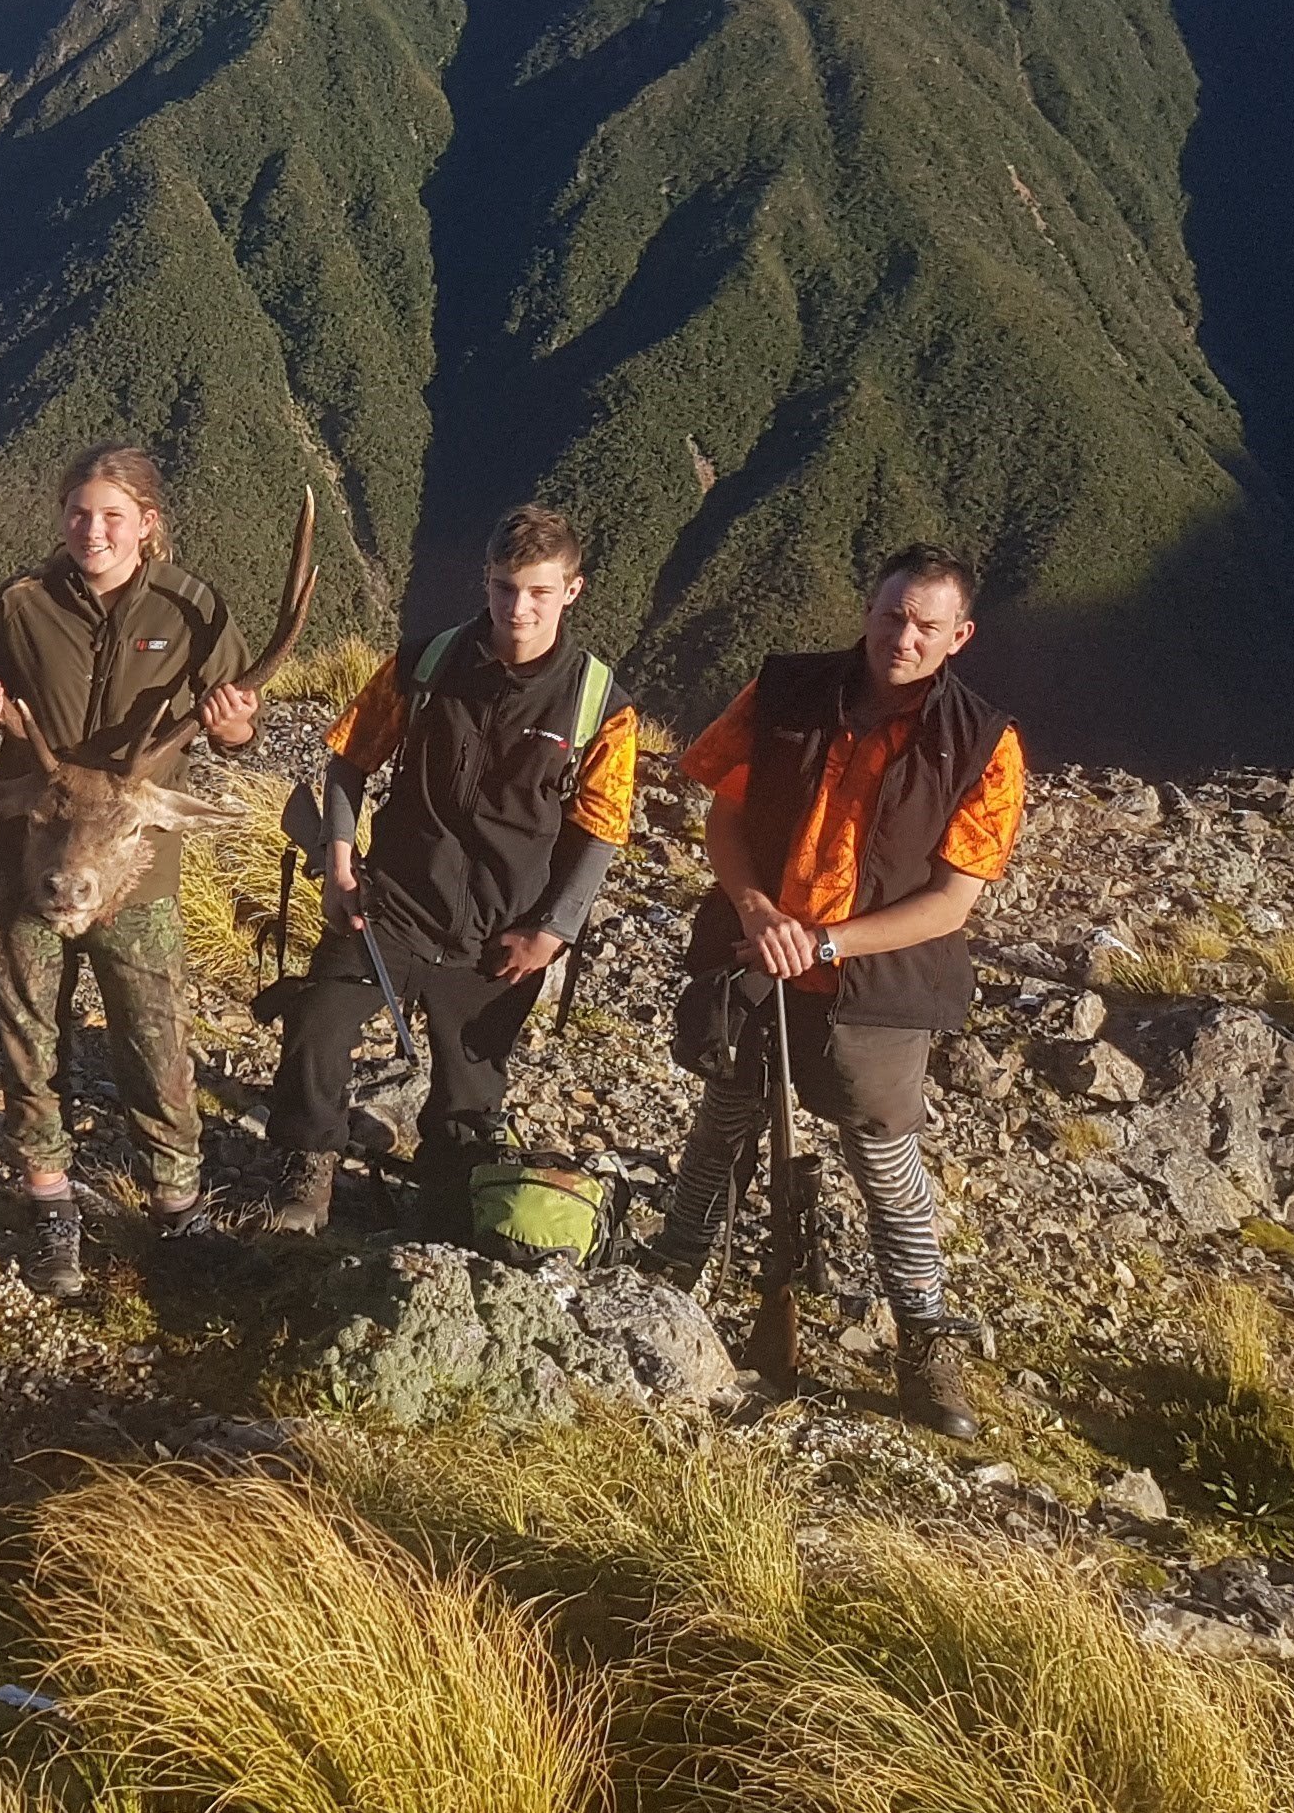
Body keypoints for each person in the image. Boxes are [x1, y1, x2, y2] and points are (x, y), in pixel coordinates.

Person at [646, 546, 1024, 1440]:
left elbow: (951, 903)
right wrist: (757, 911)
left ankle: (925, 1342)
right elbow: (725, 814)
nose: (905, 636)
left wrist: (821, 939)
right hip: (752, 954)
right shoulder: (784, 692)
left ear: (959, 636)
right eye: (893, 614)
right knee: (723, 1121)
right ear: (869, 609)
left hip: (878, 983)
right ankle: (668, 1286)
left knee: (885, 1162)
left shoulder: (984, 745)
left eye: (928, 624)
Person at [260, 503, 635, 1237]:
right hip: (390, 907)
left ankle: (445, 1199)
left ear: (573, 590)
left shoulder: (601, 706)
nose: (517, 608)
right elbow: (348, 762)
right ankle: (308, 1173)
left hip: (503, 932)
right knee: (316, 1026)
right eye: (503, 588)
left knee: (470, 1097)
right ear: (485, 581)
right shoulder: (423, 663)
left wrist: (550, 934)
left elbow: (601, 835)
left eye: (537, 591)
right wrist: (339, 863)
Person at [0, 446, 260, 1298]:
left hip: (135, 864)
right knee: (27, 1030)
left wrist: (235, 728)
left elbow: (237, 720)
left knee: (153, 1035)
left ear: (147, 525)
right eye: (79, 513)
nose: (93, 530)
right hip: (28, 853)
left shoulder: (194, 610)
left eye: (113, 515)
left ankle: (177, 1206)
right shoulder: (19, 605)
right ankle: (49, 1201)